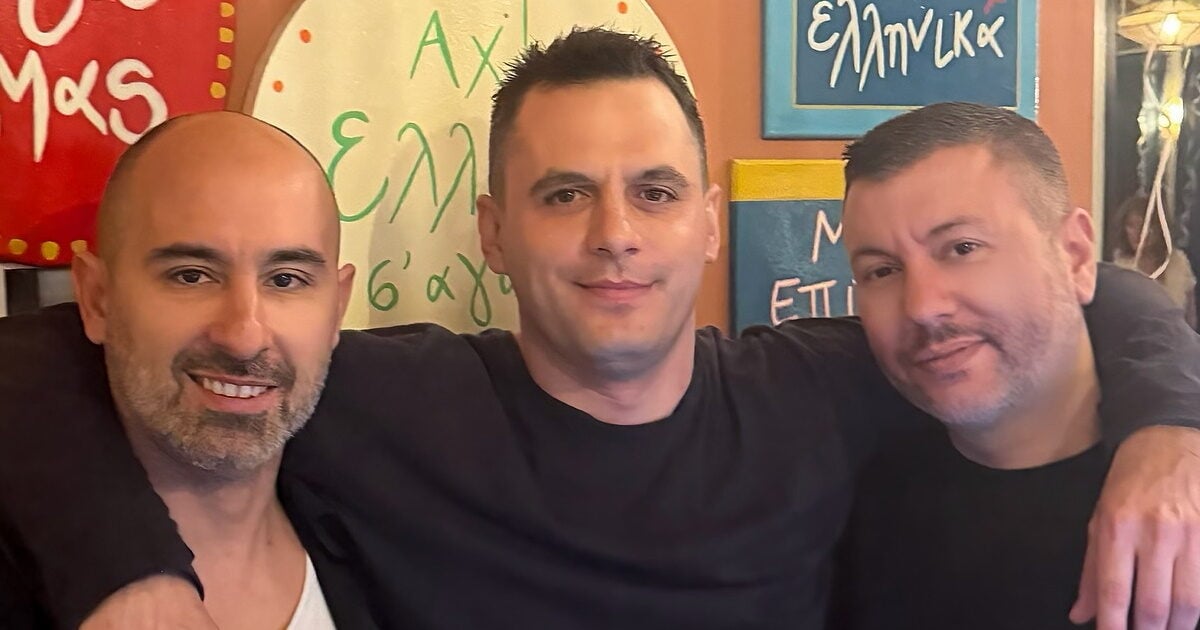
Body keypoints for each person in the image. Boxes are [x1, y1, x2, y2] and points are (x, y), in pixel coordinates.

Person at [2, 29, 1200, 630]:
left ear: (711, 224)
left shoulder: (823, 387)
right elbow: (52, 355)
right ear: (494, 230)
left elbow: (1073, 294)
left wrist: (1169, 425)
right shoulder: (380, 402)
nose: (615, 235)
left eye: (656, 192)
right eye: (565, 194)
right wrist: (129, 567)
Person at [828, 102, 1200, 629]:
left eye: (962, 248)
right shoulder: (851, 497)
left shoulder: (1183, 501)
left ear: (1074, 255)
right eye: (882, 271)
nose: (922, 306)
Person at [0, 112, 373, 628]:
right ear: (97, 299)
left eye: (286, 280)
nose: (244, 335)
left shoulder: (390, 531)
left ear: (337, 307)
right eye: (192, 276)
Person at [1112, 192, 1197, 328]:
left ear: (1159, 227)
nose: (1138, 232)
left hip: (1175, 339)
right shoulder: (1119, 271)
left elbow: (1191, 320)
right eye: (1131, 225)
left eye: (1144, 225)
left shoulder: (1178, 263)